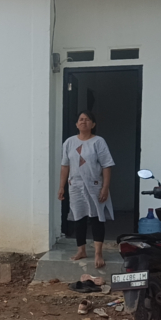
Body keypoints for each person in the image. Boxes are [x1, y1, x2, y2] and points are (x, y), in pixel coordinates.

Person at [58, 110, 115, 269]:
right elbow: (65, 166)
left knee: (97, 218)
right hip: (75, 186)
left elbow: (107, 166)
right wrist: (61, 186)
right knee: (79, 218)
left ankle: (98, 253)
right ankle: (81, 250)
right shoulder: (69, 142)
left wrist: (105, 188)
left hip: (94, 185)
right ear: (77, 124)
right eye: (81, 119)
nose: (84, 122)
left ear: (93, 124)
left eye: (87, 119)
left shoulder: (98, 142)